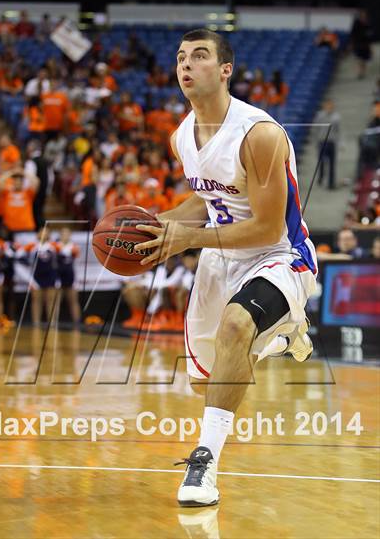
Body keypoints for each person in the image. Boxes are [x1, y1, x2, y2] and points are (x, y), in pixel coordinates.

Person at [133, 29, 318, 507]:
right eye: (179, 58)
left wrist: (188, 240)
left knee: (237, 326)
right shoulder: (181, 137)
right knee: (206, 381)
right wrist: (157, 228)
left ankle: (204, 467)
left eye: (199, 56)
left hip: (280, 255)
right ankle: (272, 338)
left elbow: (265, 226)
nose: (186, 65)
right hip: (220, 259)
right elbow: (209, 196)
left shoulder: (259, 134)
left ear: (225, 70)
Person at [314, 99, 341, 190]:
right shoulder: (320, 115)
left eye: (330, 105)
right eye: (327, 105)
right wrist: (317, 141)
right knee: (321, 162)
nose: (329, 107)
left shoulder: (336, 117)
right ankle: (320, 177)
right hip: (322, 141)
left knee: (332, 164)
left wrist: (338, 142)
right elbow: (316, 129)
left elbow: (337, 130)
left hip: (331, 142)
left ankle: (331, 183)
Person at [350, 10, 372, 79]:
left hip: (366, 44)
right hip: (358, 44)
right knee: (359, 58)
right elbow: (353, 34)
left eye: (365, 15)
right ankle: (360, 72)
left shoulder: (367, 23)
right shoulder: (356, 23)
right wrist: (352, 44)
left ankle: (363, 72)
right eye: (362, 15)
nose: (364, 16)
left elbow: (369, 34)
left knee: (364, 59)